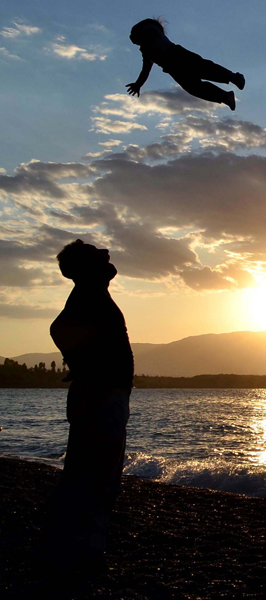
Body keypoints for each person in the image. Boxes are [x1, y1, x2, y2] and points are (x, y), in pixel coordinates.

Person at [47, 240, 134, 572]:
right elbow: (59, 329)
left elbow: (61, 329)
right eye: (97, 253)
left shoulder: (91, 291)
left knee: (91, 473)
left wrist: (81, 361)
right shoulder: (87, 293)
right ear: (85, 266)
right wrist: (84, 363)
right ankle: (81, 556)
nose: (107, 253)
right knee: (97, 476)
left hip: (100, 394)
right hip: (100, 396)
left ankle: (75, 551)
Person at [127, 17, 245, 110]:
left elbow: (150, 32)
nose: (130, 36)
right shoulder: (146, 51)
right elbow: (145, 71)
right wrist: (138, 85)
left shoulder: (153, 33)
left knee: (205, 69)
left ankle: (234, 77)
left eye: (133, 33)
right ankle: (225, 96)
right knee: (194, 88)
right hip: (173, 69)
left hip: (178, 55)